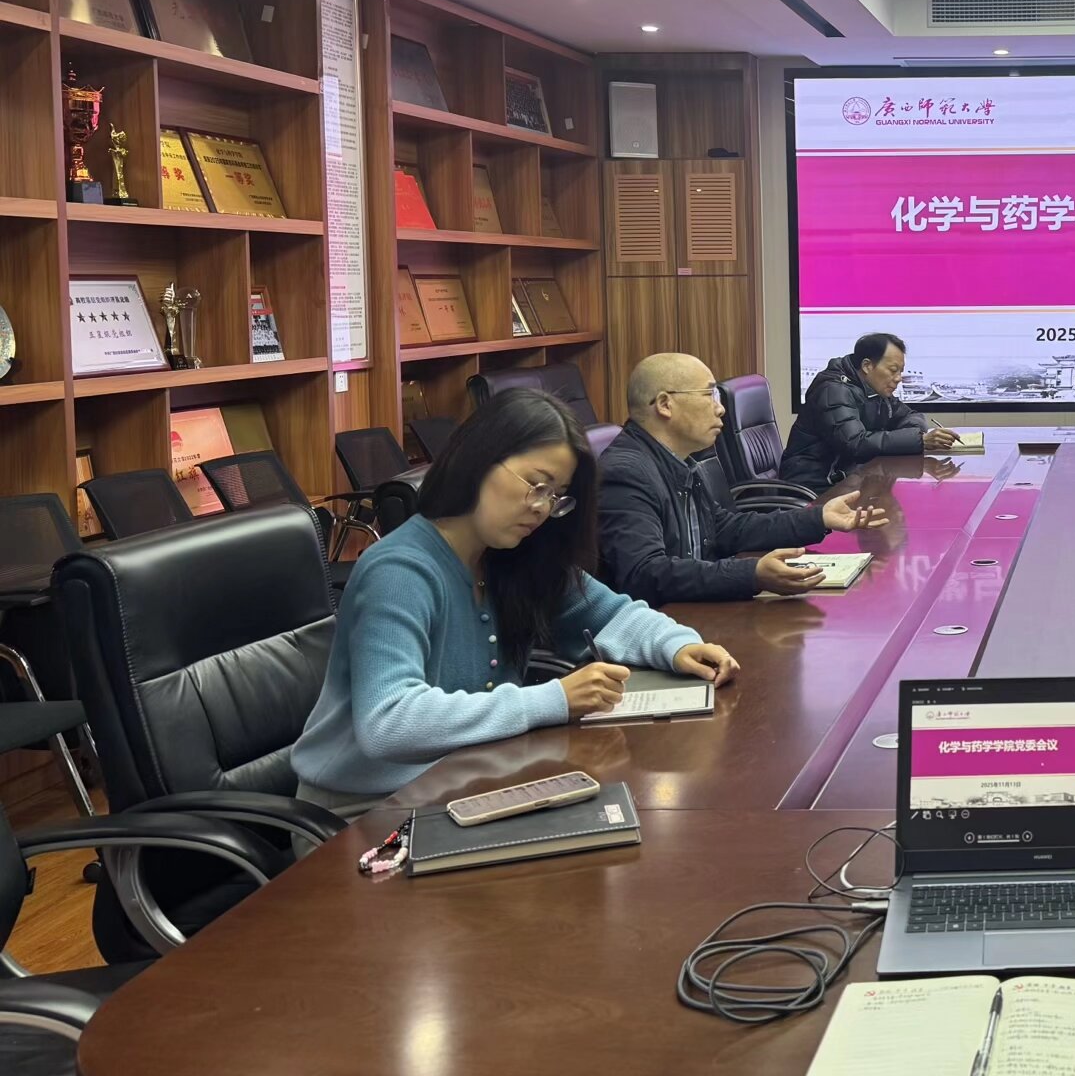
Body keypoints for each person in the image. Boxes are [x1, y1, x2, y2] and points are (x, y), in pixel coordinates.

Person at [292, 389, 739, 817]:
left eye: (556, 496)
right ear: (479, 461)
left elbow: (613, 614)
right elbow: (389, 722)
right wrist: (553, 700)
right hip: (364, 809)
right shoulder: (399, 571)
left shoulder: (510, 557)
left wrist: (678, 645)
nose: (542, 508)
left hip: (465, 779)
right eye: (536, 485)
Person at [600, 352, 888, 606]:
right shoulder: (626, 473)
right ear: (665, 404)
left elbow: (725, 529)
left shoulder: (679, 461)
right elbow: (645, 574)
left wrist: (819, 518)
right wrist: (751, 574)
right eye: (709, 395)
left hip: (692, 613)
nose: (720, 408)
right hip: (657, 631)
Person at [780, 332, 960, 489]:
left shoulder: (874, 390)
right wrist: (919, 440)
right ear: (867, 366)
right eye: (893, 370)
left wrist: (916, 436)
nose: (898, 378)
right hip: (816, 485)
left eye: (900, 371)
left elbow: (910, 416)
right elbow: (855, 444)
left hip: (849, 479)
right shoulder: (833, 391)